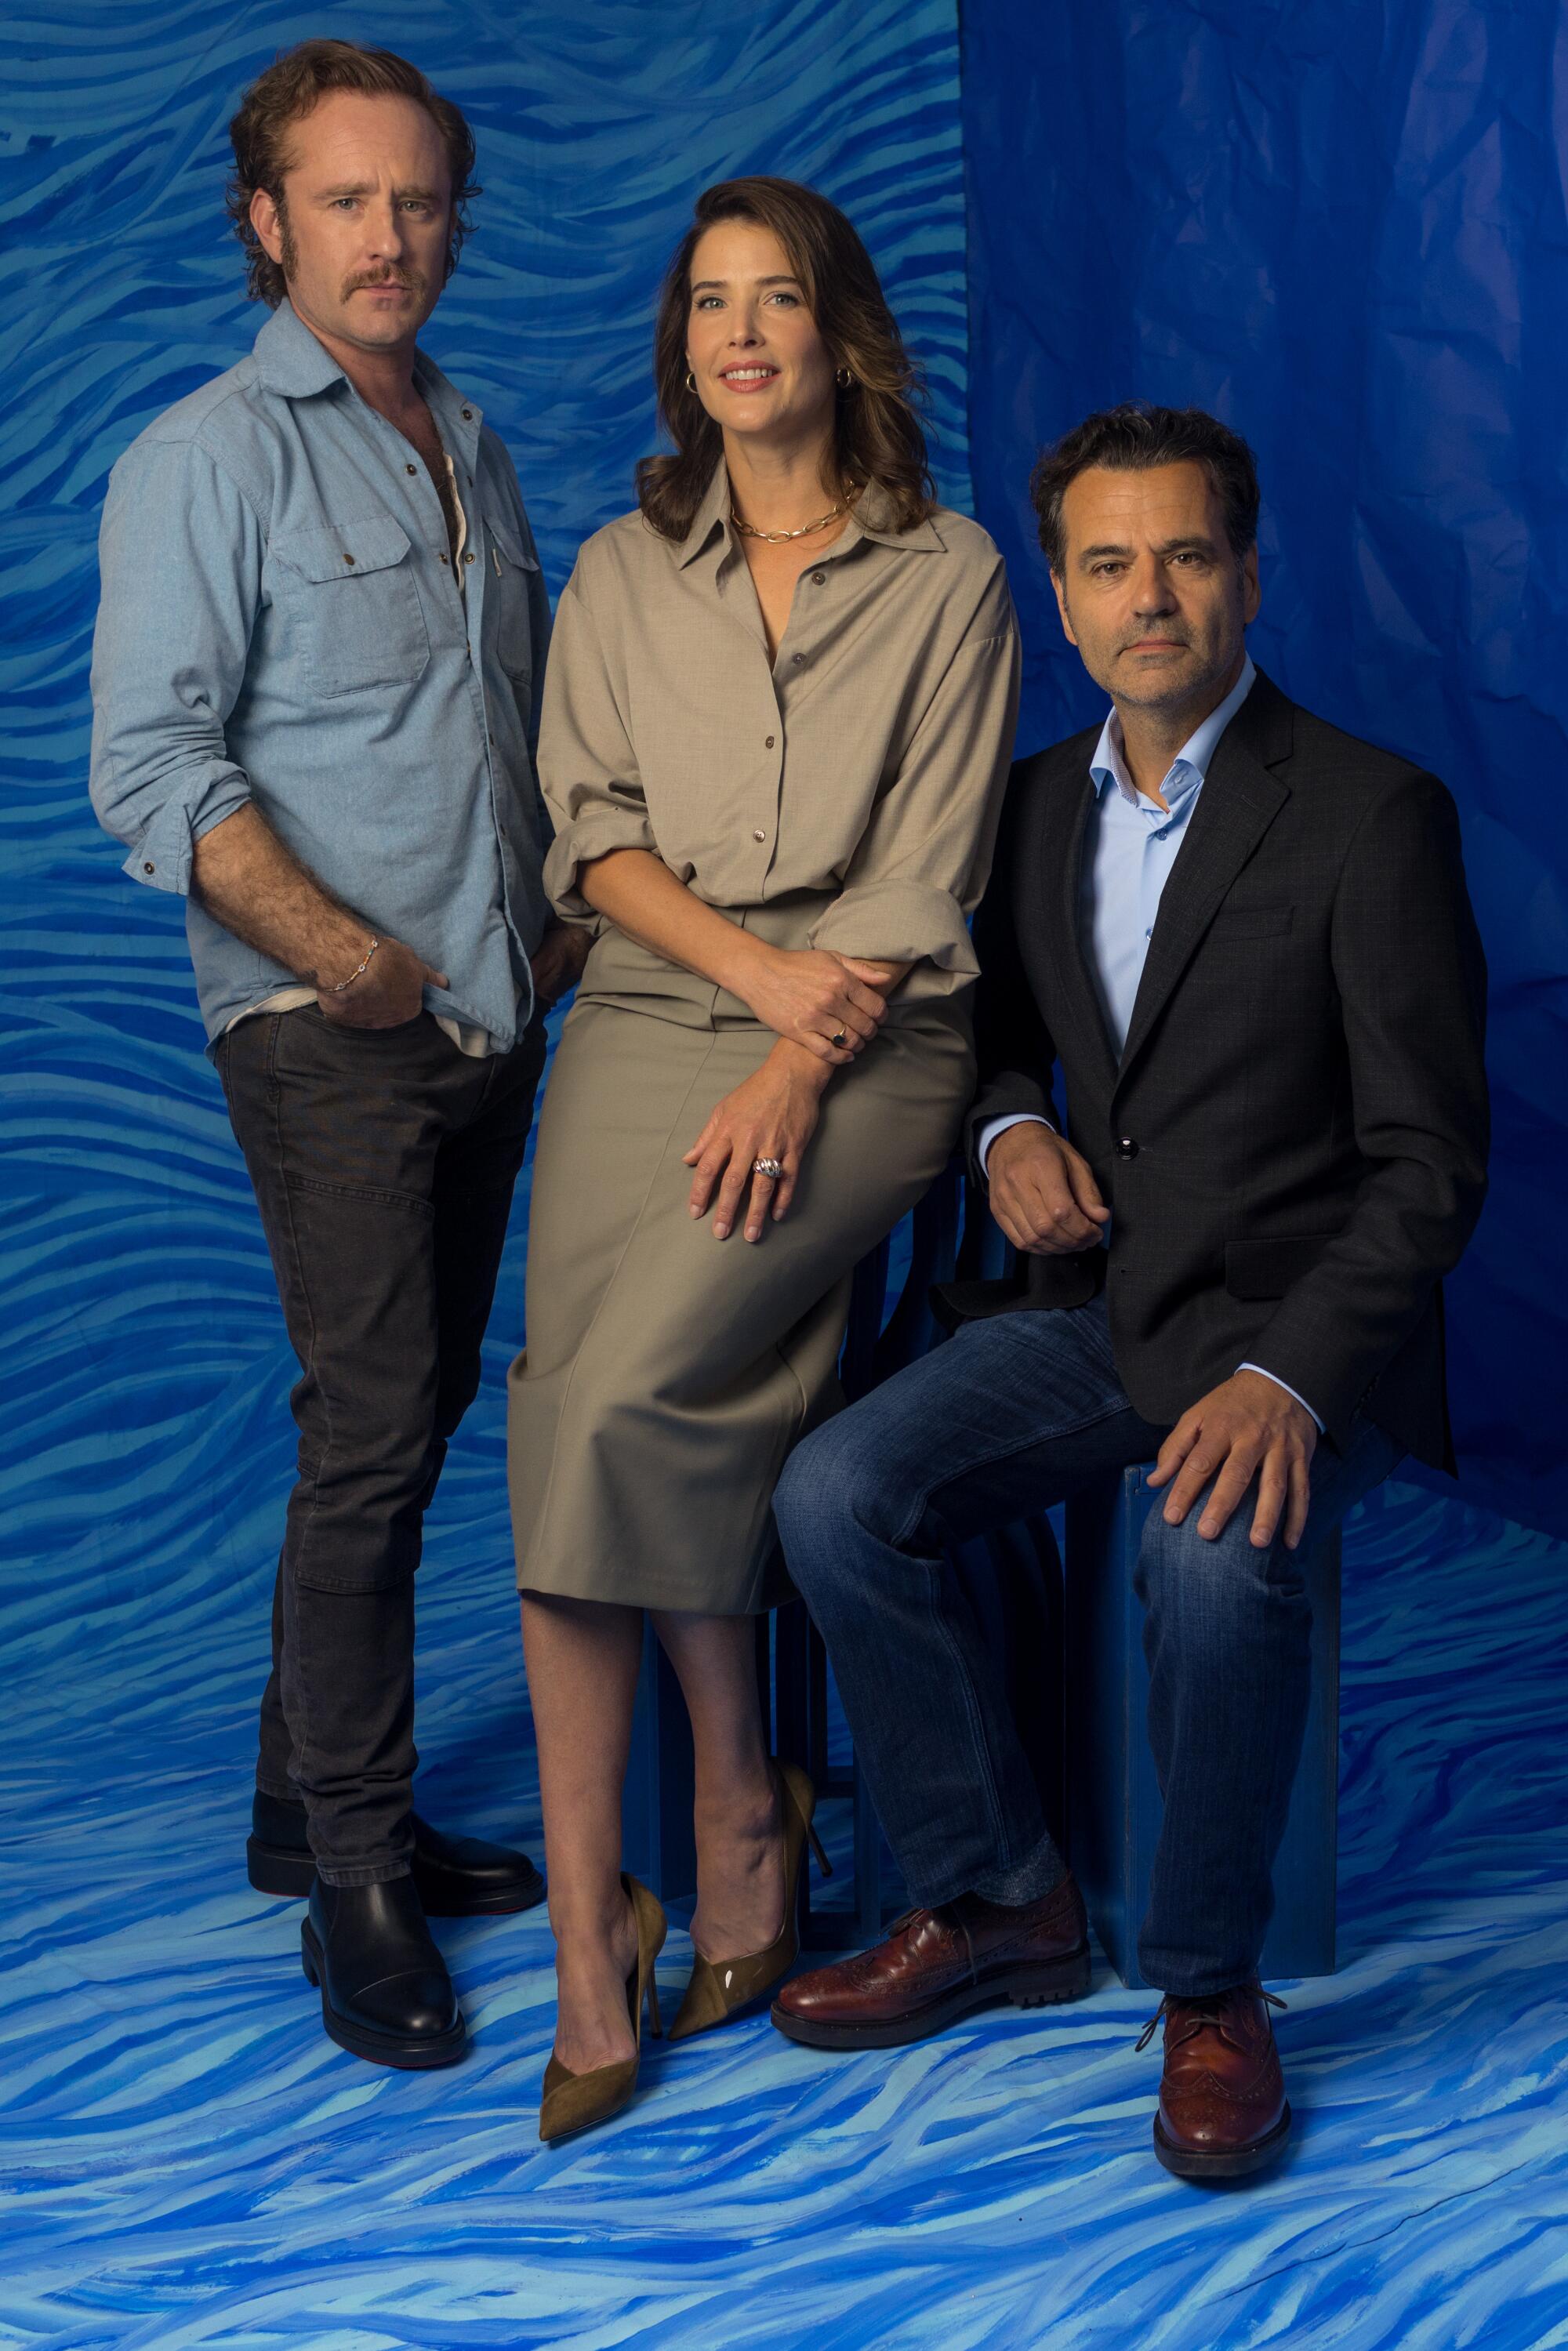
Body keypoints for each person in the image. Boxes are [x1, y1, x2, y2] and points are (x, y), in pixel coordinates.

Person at [769, 402, 1490, 2180]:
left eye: (1184, 555)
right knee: (835, 1493)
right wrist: (1010, 1122)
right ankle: (998, 1895)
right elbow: (1005, 1028)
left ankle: (1205, 1988)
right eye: (1109, 564)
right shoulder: (1027, 810)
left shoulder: (1369, 815)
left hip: (1295, 1329)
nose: (1147, 594)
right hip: (1100, 1314)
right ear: (1064, 600)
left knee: (1202, 1548)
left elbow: (1428, 1166)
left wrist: (1296, 1381)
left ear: (1246, 575)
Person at [89, 39, 587, 2072]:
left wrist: (533, 944)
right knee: (381, 1435)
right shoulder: (205, 458)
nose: (389, 237)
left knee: (403, 1409)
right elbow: (150, 767)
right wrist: (352, 965)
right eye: (347, 200)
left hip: (490, 1013)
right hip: (330, 1029)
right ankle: (359, 1886)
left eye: (420, 201)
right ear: (265, 219)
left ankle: (305, 1802)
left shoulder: (469, 444)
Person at [507, 176, 1021, 2141]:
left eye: (775, 298)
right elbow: (593, 834)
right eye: (708, 303)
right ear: (685, 348)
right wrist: (743, 998)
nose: (739, 333)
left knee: (618, 1396)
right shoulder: (622, 569)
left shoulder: (952, 569)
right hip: (650, 1019)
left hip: (877, 1038)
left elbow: (927, 864)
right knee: (587, 1400)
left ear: (838, 333)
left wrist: (805, 1056)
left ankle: (717, 1822)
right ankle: (626, 1899)